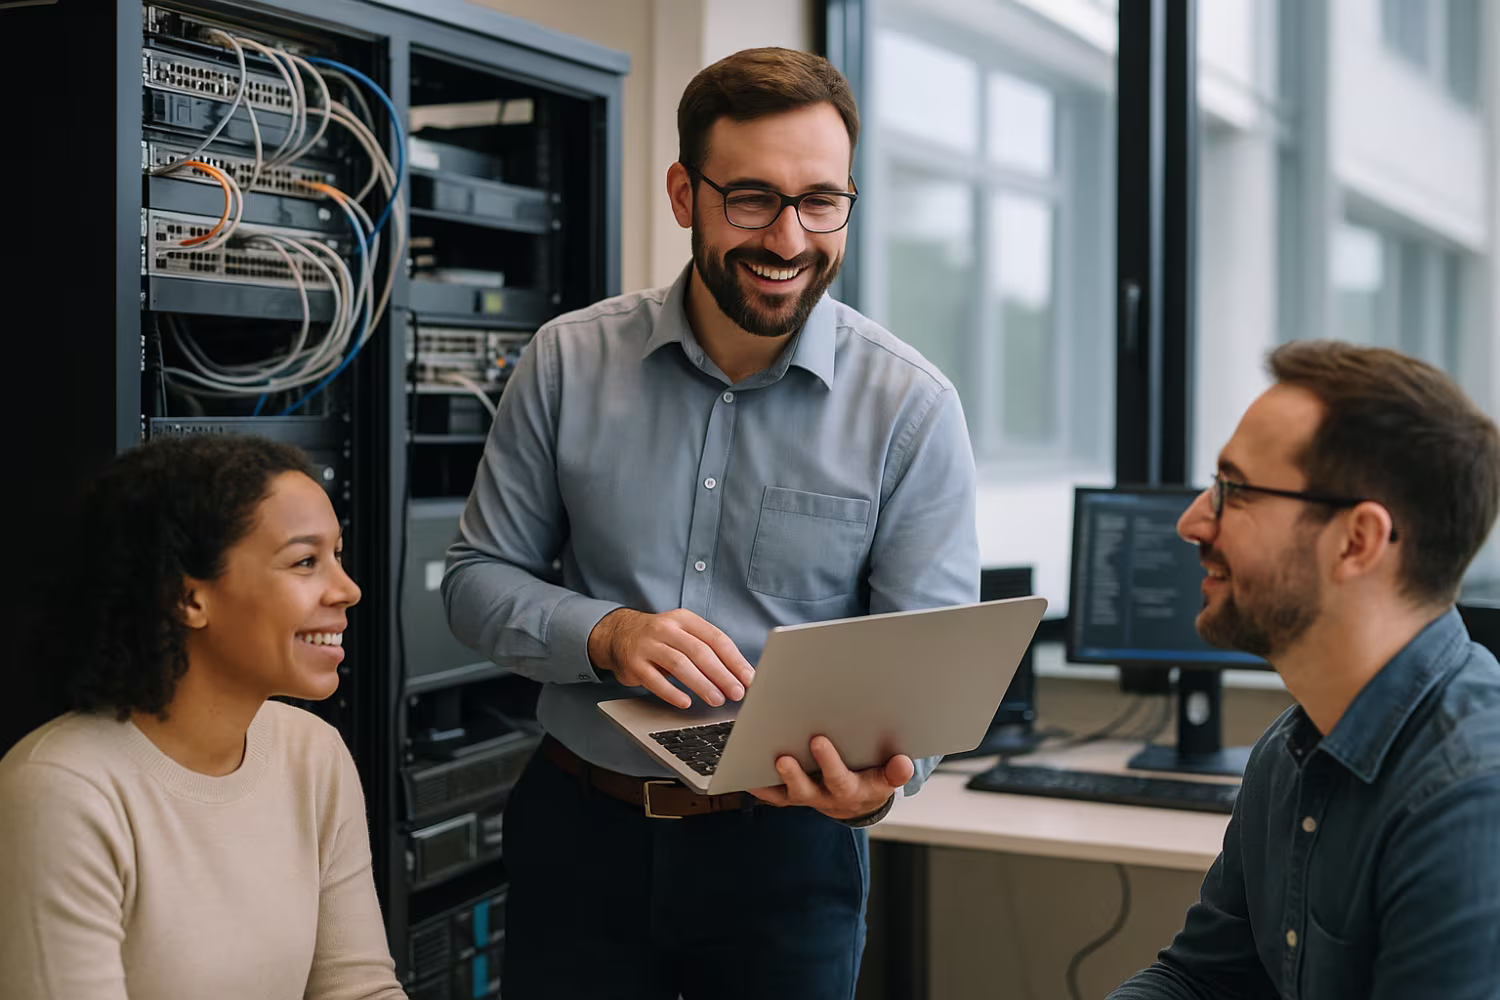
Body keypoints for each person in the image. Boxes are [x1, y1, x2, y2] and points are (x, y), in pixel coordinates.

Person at [443, 46, 978, 999]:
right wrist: (604, 633)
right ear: (684, 193)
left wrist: (886, 782)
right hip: (581, 836)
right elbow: (476, 580)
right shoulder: (567, 363)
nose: (789, 237)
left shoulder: (911, 409)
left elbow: (928, 668)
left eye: (821, 200)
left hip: (789, 860)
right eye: (753, 200)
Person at [1109, 339, 1500, 999]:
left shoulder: (1469, 799)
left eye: (1233, 490)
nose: (1191, 521)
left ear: (1357, 541)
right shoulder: (1292, 746)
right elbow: (1203, 980)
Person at [0, 434, 406, 1000]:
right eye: (306, 561)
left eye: (338, 556)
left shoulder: (313, 754)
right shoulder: (60, 793)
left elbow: (357, 988)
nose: (348, 589)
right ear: (187, 598)